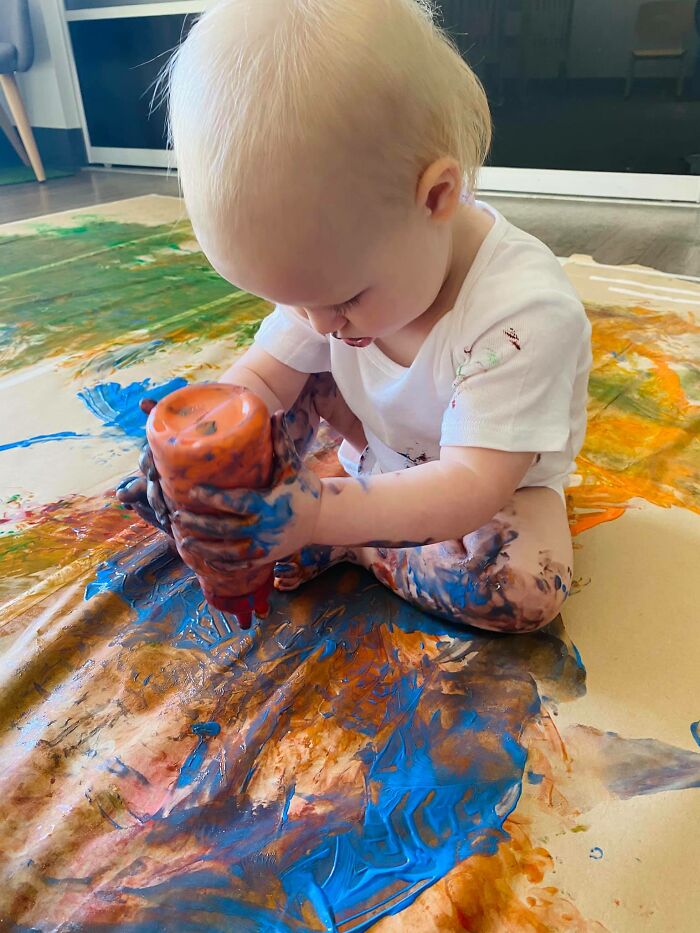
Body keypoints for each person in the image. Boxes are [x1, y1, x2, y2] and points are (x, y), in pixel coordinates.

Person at [118, 0, 592, 634]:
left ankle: (350, 540)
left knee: (521, 586)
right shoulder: (339, 272)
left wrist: (319, 520)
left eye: (341, 300)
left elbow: (472, 484)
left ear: (436, 197)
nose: (318, 324)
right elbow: (261, 378)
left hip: (491, 491)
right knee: (270, 401)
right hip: (369, 451)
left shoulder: (521, 315)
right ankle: (308, 514)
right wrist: (196, 458)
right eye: (295, 299)